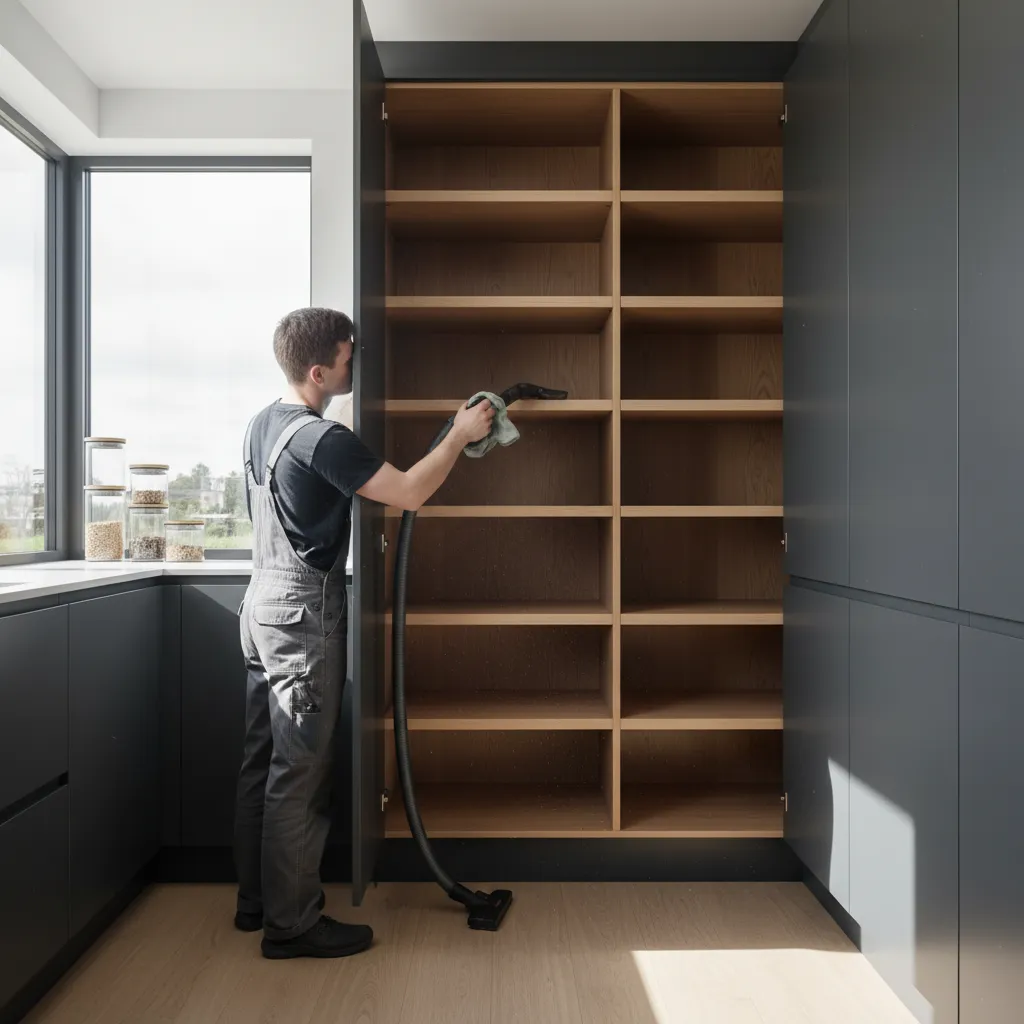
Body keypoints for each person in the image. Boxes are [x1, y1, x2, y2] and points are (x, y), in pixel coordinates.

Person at [233, 307, 493, 960]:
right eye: (350, 356)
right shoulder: (324, 441)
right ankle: (291, 926)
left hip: (260, 605)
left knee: (264, 762)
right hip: (301, 616)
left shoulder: (264, 424)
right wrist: (460, 435)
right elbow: (408, 492)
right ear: (318, 372)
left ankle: (256, 900)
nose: (358, 362)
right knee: (299, 773)